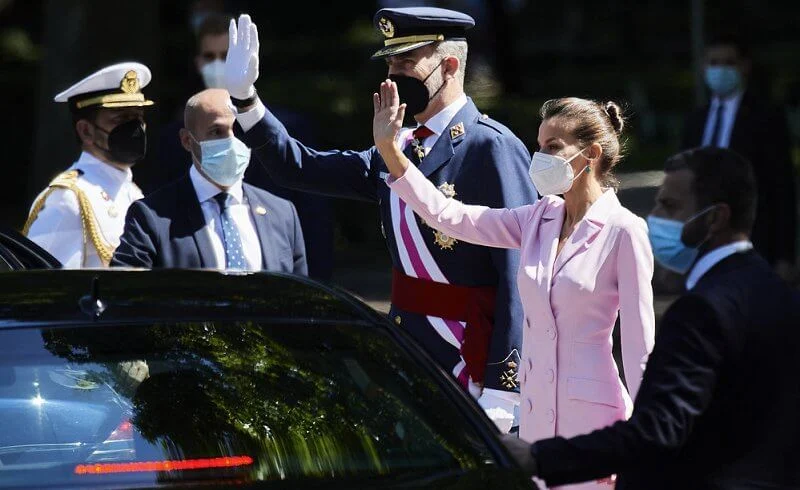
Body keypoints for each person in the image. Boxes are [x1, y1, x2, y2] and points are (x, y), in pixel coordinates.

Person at [225, 11, 538, 429]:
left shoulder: (489, 146)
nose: (392, 76)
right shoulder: (395, 146)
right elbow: (296, 166)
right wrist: (247, 101)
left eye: (407, 63)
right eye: (389, 64)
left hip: (471, 354)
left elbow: (518, 272)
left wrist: (505, 385)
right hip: (412, 349)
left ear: (448, 67)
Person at [375, 84, 655, 489]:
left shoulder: (625, 230)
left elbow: (639, 347)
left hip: (596, 422)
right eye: (539, 145)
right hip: (537, 415)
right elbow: (450, 216)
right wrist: (392, 153)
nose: (540, 157)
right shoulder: (538, 218)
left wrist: (646, 440)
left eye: (553, 146)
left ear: (591, 154)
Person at [501, 147, 800, 489]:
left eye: (670, 206)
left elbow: (659, 429)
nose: (654, 215)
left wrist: (539, 458)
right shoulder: (779, 295)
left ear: (715, 218)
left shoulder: (702, 312)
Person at [155, 13, 335, 280]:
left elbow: (314, 219)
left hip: (277, 276)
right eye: (209, 56)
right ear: (197, 62)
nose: (218, 65)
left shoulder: (286, 129)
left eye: (226, 55)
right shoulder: (173, 137)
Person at [111, 88, 306, 274]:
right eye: (216, 132)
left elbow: (299, 297)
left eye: (239, 131)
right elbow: (124, 293)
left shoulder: (282, 214)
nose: (232, 140)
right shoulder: (152, 215)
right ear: (187, 141)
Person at [680, 33, 797, 279]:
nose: (720, 70)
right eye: (713, 63)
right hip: (702, 246)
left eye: (728, 62)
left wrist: (785, 255)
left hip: (754, 243)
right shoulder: (695, 120)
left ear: (744, 66)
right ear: (703, 66)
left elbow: (782, 187)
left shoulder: (766, 118)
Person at [24, 62, 155, 268]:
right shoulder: (69, 199)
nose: (134, 128)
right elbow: (41, 284)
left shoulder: (134, 193)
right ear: (86, 131)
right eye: (121, 119)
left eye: (138, 118)